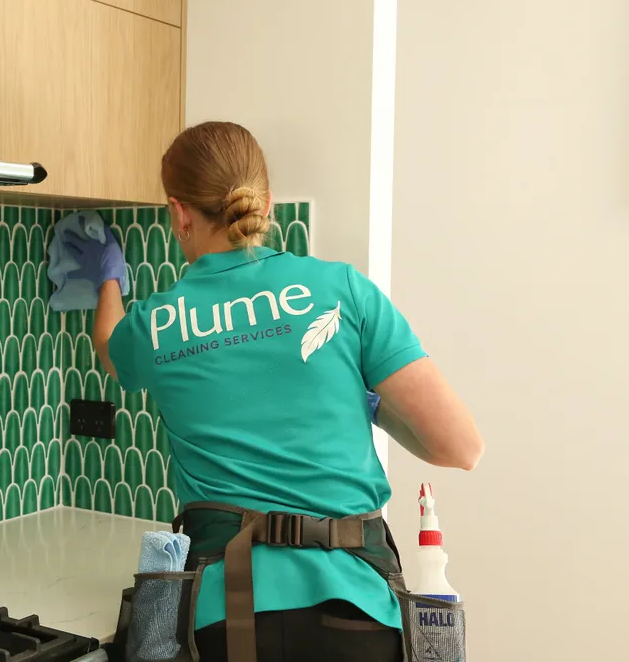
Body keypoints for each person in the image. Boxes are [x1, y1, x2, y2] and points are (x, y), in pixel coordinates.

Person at [77, 121, 484, 662]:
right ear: (267, 203)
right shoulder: (343, 290)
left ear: (178, 213)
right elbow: (459, 448)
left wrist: (110, 279)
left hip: (225, 622)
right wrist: (373, 404)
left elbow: (108, 346)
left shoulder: (157, 323)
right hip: (360, 617)